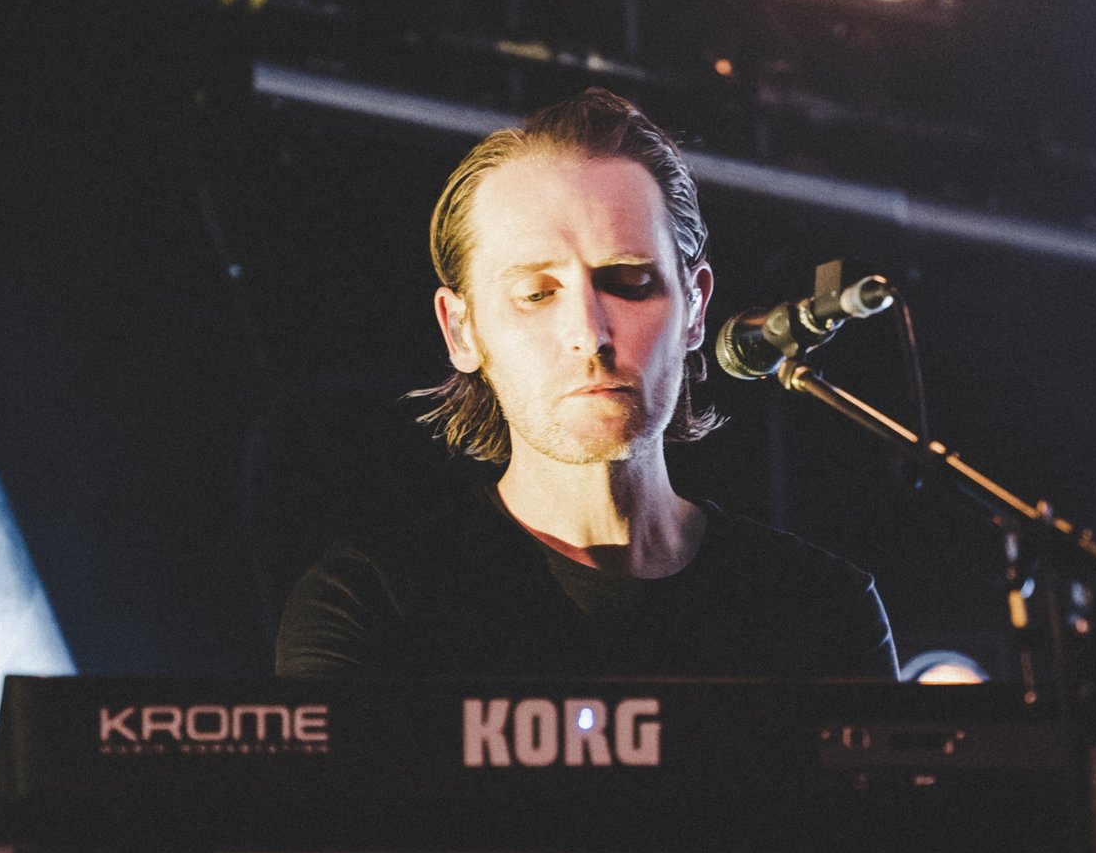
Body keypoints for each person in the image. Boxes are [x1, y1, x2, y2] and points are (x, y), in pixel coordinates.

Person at [275, 87, 897, 679]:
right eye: (535, 293)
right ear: (461, 332)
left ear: (695, 308)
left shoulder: (823, 611)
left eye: (629, 283)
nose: (589, 333)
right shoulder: (371, 603)